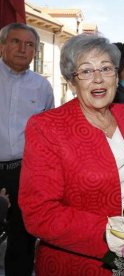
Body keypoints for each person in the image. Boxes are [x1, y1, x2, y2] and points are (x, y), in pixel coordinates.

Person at [18, 34, 124, 275]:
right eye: (86, 71)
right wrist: (118, 236)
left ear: (116, 74)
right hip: (81, 263)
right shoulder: (47, 126)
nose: (98, 79)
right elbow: (39, 213)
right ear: (72, 81)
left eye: (105, 68)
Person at [0, 22, 54, 276]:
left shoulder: (42, 87)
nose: (23, 49)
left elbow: (48, 132)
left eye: (30, 44)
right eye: (15, 42)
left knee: (22, 236)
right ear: (2, 46)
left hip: (25, 171)